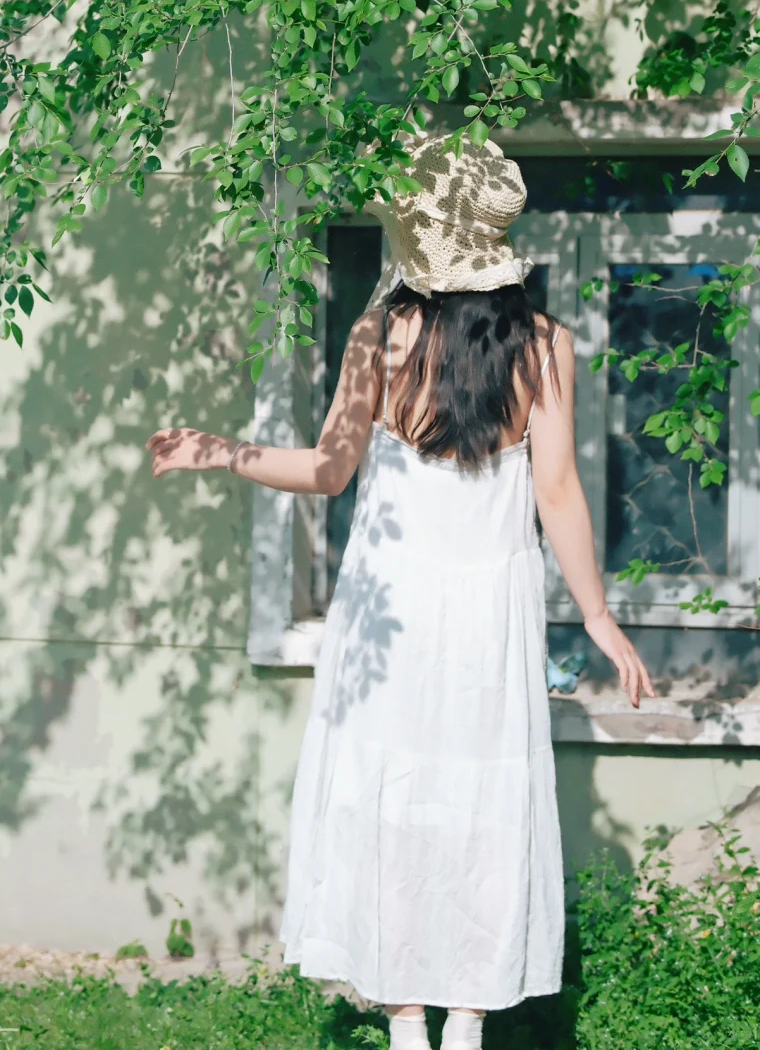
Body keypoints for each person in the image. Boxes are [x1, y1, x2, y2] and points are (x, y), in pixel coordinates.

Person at [147, 134, 654, 1050]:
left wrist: (219, 451)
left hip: (389, 607)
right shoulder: (546, 346)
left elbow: (327, 470)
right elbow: (557, 492)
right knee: (478, 800)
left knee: (390, 798)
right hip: (486, 614)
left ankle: (407, 1020)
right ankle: (464, 1015)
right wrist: (598, 614)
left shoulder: (383, 333)